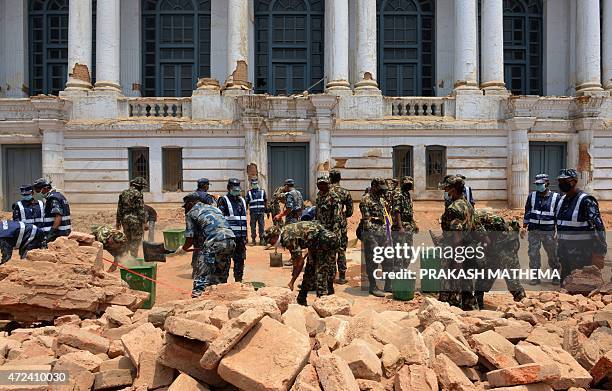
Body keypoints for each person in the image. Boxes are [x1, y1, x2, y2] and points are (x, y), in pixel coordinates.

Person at [264, 221, 338, 306]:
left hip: (324, 242)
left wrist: (292, 282)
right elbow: (296, 258)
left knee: (320, 273)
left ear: (275, 236)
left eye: (270, 240)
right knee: (309, 270)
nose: (270, 243)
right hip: (314, 243)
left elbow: (300, 262)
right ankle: (301, 299)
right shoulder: (285, 233)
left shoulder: (287, 238)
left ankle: (323, 304)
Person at [177, 193, 236, 297]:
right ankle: (219, 299)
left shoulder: (191, 213)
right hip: (231, 240)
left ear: (190, 204)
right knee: (221, 276)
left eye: (185, 206)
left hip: (215, 241)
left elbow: (190, 238)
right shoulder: (214, 208)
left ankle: (197, 299)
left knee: (202, 276)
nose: (185, 209)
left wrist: (183, 248)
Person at [555, 169, 607, 285]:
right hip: (564, 252)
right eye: (559, 181)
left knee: (581, 286)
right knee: (565, 283)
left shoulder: (586, 201)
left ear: (574, 182)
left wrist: (599, 253)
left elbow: (598, 228)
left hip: (582, 254)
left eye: (564, 181)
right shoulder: (561, 200)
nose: (561, 183)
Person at [436, 174, 478, 310]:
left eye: (447, 189)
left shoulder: (454, 208)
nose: (446, 192)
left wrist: (457, 260)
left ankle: (448, 309)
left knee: (449, 283)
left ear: (453, 190)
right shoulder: (468, 205)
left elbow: (456, 235)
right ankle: (469, 308)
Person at [474, 210, 526, 309]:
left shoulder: (474, 221)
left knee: (511, 278)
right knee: (485, 275)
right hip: (496, 243)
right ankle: (478, 306)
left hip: (506, 245)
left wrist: (480, 254)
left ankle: (523, 304)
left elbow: (486, 241)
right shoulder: (471, 219)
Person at [522, 174, 561, 285]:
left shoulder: (555, 197)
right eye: (537, 184)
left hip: (549, 231)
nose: (538, 186)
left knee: (552, 254)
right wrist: (524, 227)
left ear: (546, 184)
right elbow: (527, 212)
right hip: (534, 230)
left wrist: (558, 231)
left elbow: (558, 215)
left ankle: (555, 276)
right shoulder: (532, 196)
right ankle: (535, 277)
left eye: (540, 184)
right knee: (533, 254)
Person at [359, 177, 390, 297]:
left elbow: (385, 218)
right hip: (371, 235)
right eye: (380, 188)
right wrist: (372, 241)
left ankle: (388, 285)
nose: (383, 191)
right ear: (374, 186)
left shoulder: (381, 199)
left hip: (382, 233)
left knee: (387, 259)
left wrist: (388, 236)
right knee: (373, 261)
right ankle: (373, 286)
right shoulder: (366, 200)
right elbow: (367, 222)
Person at [390, 176, 419, 291]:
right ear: (402, 184)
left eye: (410, 184)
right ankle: (396, 282)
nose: (408, 186)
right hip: (400, 229)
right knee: (399, 256)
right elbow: (397, 212)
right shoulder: (399, 195)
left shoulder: (407, 195)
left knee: (408, 254)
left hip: (408, 227)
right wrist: (400, 227)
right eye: (406, 184)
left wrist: (414, 224)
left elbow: (409, 213)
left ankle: (402, 274)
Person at [315, 176, 343, 294]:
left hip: (331, 234)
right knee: (319, 259)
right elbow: (317, 215)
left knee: (331, 260)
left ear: (328, 184)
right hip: (320, 233)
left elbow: (338, 218)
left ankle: (330, 285)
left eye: (324, 184)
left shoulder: (334, 198)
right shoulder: (319, 196)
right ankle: (320, 284)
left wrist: (334, 236)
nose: (321, 186)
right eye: (319, 184)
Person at [217, 178, 248, 282]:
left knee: (240, 260)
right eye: (234, 189)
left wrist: (245, 237)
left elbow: (244, 220)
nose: (237, 191)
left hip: (241, 238)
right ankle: (223, 283)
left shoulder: (242, 200)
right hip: (228, 237)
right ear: (229, 188)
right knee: (225, 261)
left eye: (238, 189)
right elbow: (220, 219)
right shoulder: (223, 200)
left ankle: (238, 281)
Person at [329, 169, 353, 284]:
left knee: (329, 250)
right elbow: (350, 211)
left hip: (328, 225)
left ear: (330, 178)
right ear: (340, 178)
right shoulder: (345, 192)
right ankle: (342, 277)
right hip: (341, 225)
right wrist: (342, 216)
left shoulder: (325, 191)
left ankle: (330, 276)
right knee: (342, 250)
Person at [116, 177, 147, 257]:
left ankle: (125, 259)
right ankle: (133, 260)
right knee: (135, 241)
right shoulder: (138, 194)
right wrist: (144, 222)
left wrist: (118, 221)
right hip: (135, 220)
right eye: (142, 187)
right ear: (139, 186)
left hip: (125, 220)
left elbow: (119, 208)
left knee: (127, 240)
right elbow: (140, 210)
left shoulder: (123, 193)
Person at [245, 178, 268, 245]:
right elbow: (246, 202)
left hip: (261, 212)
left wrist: (266, 210)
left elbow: (265, 201)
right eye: (253, 184)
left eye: (255, 183)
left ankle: (261, 239)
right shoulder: (249, 193)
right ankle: (253, 240)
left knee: (261, 226)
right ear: (251, 184)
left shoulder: (262, 191)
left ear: (258, 184)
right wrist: (245, 210)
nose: (254, 185)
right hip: (253, 213)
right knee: (253, 226)